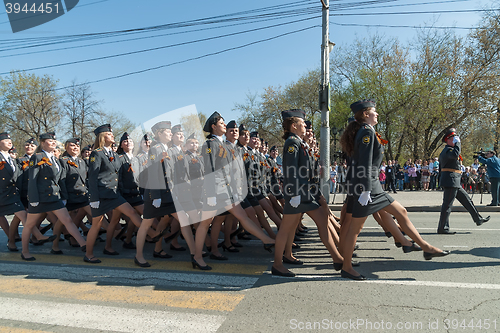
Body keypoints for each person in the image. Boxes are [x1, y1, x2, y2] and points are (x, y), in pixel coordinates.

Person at [339, 99, 449, 280]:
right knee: (354, 229)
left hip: (370, 186)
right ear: (366, 114)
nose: (377, 114)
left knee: (401, 211)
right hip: (367, 187)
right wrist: (365, 190)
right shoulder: (366, 132)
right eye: (374, 111)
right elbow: (365, 163)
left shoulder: (367, 131)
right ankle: (347, 267)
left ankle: (424, 247)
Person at [271, 109, 344, 277]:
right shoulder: (292, 142)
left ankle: (337, 258)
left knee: (323, 220)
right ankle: (277, 264)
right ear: (294, 125)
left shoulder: (298, 142)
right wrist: (294, 194)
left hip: (304, 194)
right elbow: (290, 170)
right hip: (297, 194)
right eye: (303, 123)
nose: (305, 126)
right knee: (285, 229)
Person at [22, 132, 87, 260]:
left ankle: (84, 244)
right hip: (41, 198)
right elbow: (32, 179)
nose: (53, 143)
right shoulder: (37, 157)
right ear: (42, 143)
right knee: (30, 225)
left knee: (67, 220)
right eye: (50, 141)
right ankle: (24, 252)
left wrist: (63, 196)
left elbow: (60, 179)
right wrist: (33, 199)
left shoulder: (55, 159)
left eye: (54, 141)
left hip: (54, 196)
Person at [437, 128, 490, 234]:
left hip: (453, 181)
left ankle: (478, 219)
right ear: (448, 140)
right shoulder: (448, 150)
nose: (456, 140)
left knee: (467, 201)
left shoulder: (448, 151)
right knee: (447, 205)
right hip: (451, 181)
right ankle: (442, 228)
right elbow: (455, 155)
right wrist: (458, 144)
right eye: (453, 138)